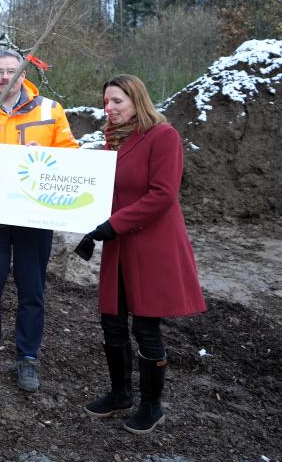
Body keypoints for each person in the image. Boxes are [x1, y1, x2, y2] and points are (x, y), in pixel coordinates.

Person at [75, 74, 206, 434]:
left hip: (151, 245)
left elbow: (162, 194)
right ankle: (120, 394)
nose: (109, 108)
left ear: (136, 99)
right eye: (105, 102)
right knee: (112, 322)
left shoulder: (163, 136)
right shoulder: (111, 142)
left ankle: (152, 406)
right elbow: (104, 190)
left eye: (117, 101)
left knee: (146, 327)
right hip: (118, 246)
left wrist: (109, 226)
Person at [0, 48, 78, 392]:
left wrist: (61, 200)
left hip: (34, 217)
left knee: (32, 287)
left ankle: (27, 357)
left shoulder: (50, 110)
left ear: (24, 73)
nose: (4, 77)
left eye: (11, 70)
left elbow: (70, 158)